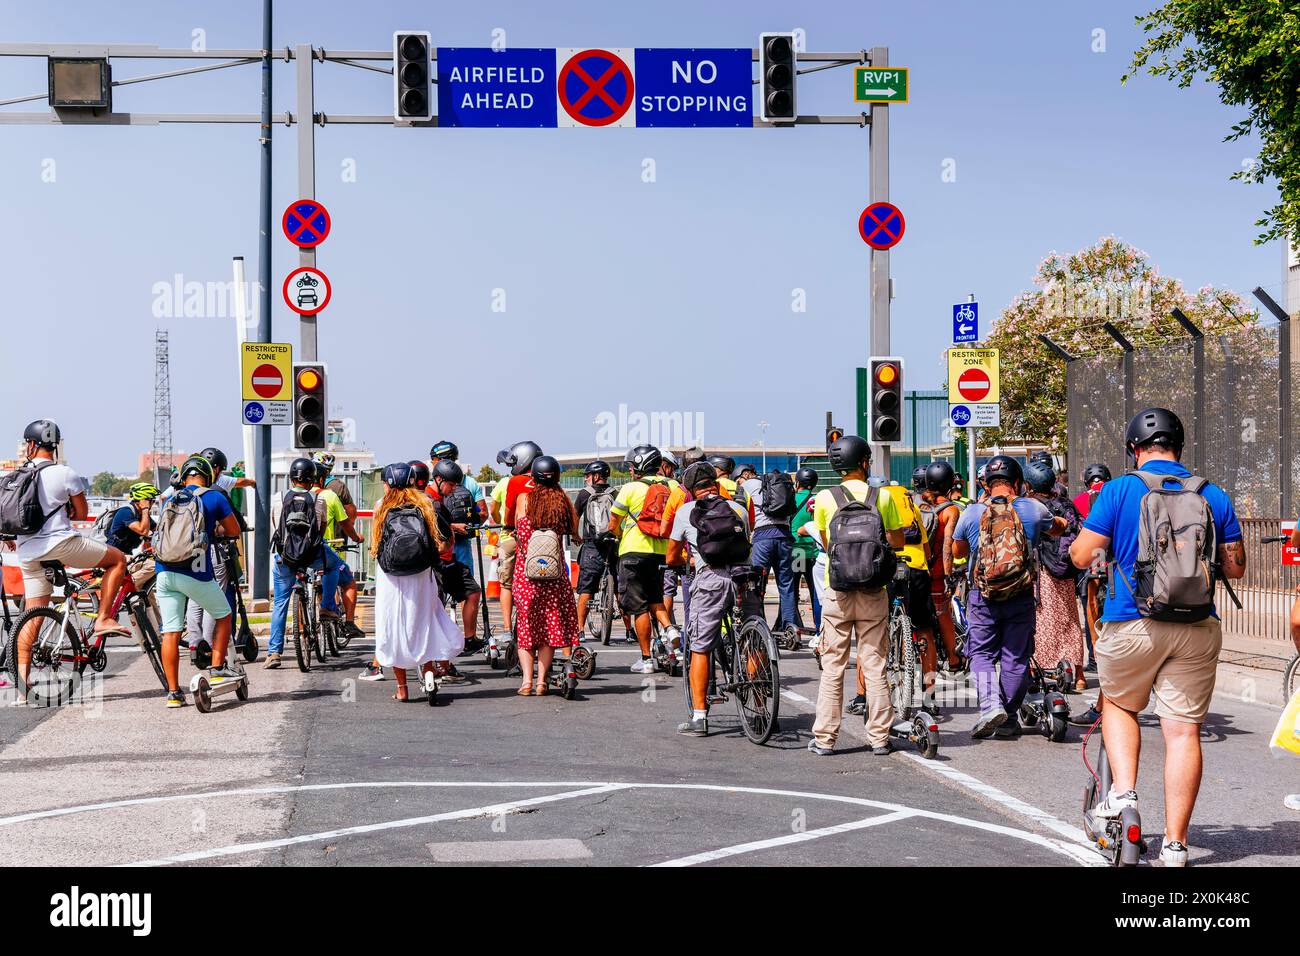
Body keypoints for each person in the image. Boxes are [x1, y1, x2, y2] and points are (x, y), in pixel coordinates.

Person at [1069, 408, 1244, 867]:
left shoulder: (1119, 489)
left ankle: (1123, 796)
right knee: (1184, 731)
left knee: (1121, 704)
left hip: (1131, 623)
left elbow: (1082, 554)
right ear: (1180, 447)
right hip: (1196, 627)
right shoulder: (1213, 495)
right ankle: (1176, 845)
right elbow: (1236, 566)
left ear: (1134, 449)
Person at [5, 420, 132, 695]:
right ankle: (103, 619)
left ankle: (22, 685)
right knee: (117, 560)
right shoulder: (65, 474)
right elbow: (82, 512)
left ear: (30, 445)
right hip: (60, 545)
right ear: (56, 446)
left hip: (28, 553)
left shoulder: (17, 476)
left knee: (31, 616)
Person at [951, 455, 1065, 740]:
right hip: (1021, 594)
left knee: (982, 653)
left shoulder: (972, 513)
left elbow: (957, 553)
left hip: (983, 595)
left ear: (987, 486)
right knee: (1016, 656)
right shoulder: (1034, 510)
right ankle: (1009, 716)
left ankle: (990, 707)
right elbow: (1058, 528)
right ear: (1018, 483)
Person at [808, 435, 906, 756]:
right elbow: (898, 540)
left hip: (837, 590)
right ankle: (879, 737)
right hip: (873, 589)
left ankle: (825, 738)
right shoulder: (883, 496)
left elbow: (826, 544)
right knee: (874, 663)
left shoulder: (825, 498)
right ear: (865, 462)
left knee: (833, 665)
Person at [666, 461, 753, 736]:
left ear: (691, 491)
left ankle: (700, 717)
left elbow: (671, 555)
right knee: (751, 637)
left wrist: (683, 560)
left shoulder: (685, 512)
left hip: (711, 579)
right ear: (716, 485)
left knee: (700, 646)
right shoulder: (737, 508)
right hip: (744, 577)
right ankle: (761, 703)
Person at [153, 455, 244, 706]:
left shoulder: (169, 499)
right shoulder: (214, 497)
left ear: (183, 477)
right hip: (195, 571)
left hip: (164, 572)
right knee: (223, 614)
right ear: (209, 475)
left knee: (170, 631)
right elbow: (234, 530)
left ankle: (173, 693)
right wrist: (215, 531)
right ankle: (216, 669)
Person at [371, 462, 464, 702]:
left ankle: (402, 688)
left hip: (389, 577)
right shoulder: (425, 504)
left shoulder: (381, 507)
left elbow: (375, 545)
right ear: (413, 481)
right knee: (423, 623)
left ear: (387, 484)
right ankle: (429, 673)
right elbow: (446, 540)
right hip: (421, 574)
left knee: (393, 627)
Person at [267, 458, 346, 670]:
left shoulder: (279, 498)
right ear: (312, 479)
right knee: (334, 566)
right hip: (311, 556)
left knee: (280, 604)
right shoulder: (318, 499)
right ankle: (327, 606)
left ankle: (274, 653)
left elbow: (277, 526)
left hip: (285, 558)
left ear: (291, 478)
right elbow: (319, 530)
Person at [608, 444, 682, 673]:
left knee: (639, 607)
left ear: (639, 466)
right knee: (656, 596)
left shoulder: (630, 488)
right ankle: (669, 628)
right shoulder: (675, 486)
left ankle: (647, 659)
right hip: (663, 552)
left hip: (633, 553)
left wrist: (619, 536)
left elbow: (613, 524)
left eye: (631, 466)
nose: (630, 470)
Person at [511, 455, 580, 695]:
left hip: (526, 572)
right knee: (550, 627)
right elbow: (573, 530)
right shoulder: (562, 501)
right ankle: (542, 682)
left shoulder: (523, 500)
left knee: (527, 626)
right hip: (554, 574)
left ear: (534, 477)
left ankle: (526, 682)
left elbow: (516, 529)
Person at [1023, 459, 1087, 692]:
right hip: (1066, 571)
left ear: (1029, 484)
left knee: (1040, 619)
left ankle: (1036, 669)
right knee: (1070, 620)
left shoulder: (1031, 506)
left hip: (1041, 572)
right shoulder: (1067, 504)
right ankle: (1079, 675)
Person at [428, 459, 482, 676]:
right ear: (439, 480)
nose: (453, 490)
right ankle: (437, 664)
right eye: (451, 485)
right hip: (436, 563)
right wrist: (451, 527)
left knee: (473, 592)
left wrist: (453, 526)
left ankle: (469, 639)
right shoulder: (428, 499)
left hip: (450, 560)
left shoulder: (441, 498)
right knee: (436, 612)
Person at [741, 463, 799, 639]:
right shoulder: (781, 484)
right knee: (787, 585)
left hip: (762, 537)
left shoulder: (747, 485)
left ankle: (759, 626)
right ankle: (791, 627)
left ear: (745, 474)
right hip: (785, 536)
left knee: (756, 585)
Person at [574, 460, 631, 638]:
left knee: (586, 588)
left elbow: (575, 517)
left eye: (588, 476)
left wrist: (576, 536)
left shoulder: (585, 494)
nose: (585, 479)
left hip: (592, 545)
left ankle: (580, 630)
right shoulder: (616, 493)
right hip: (613, 544)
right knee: (619, 588)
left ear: (596, 476)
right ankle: (629, 631)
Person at [920, 461, 964, 690]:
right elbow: (948, 546)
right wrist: (948, 575)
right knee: (942, 613)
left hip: (916, 571)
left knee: (920, 622)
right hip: (936, 573)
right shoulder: (950, 510)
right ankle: (954, 659)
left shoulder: (918, 504)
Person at [312, 452, 365, 640]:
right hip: (331, 546)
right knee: (345, 580)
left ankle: (306, 624)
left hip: (302, 550)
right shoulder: (336, 489)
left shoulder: (300, 490)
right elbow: (350, 514)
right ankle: (348, 623)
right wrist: (351, 535)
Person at [498, 440, 544, 636]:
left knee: (506, 584)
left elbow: (509, 515)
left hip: (517, 539)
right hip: (543, 541)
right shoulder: (547, 481)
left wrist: (509, 526)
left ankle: (508, 628)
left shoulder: (515, 482)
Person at [104, 482, 161, 588]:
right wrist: (145, 509)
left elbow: (157, 529)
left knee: (144, 588)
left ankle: (148, 604)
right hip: (114, 555)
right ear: (143, 499)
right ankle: (127, 585)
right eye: (151, 500)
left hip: (126, 555)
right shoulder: (126, 512)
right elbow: (143, 530)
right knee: (154, 566)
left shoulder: (141, 515)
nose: (153, 503)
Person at [790, 466, 821, 632]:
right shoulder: (815, 500)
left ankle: (794, 627)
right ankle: (819, 628)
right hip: (814, 552)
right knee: (815, 591)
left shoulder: (790, 498)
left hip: (797, 551)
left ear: (798, 482)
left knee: (793, 591)